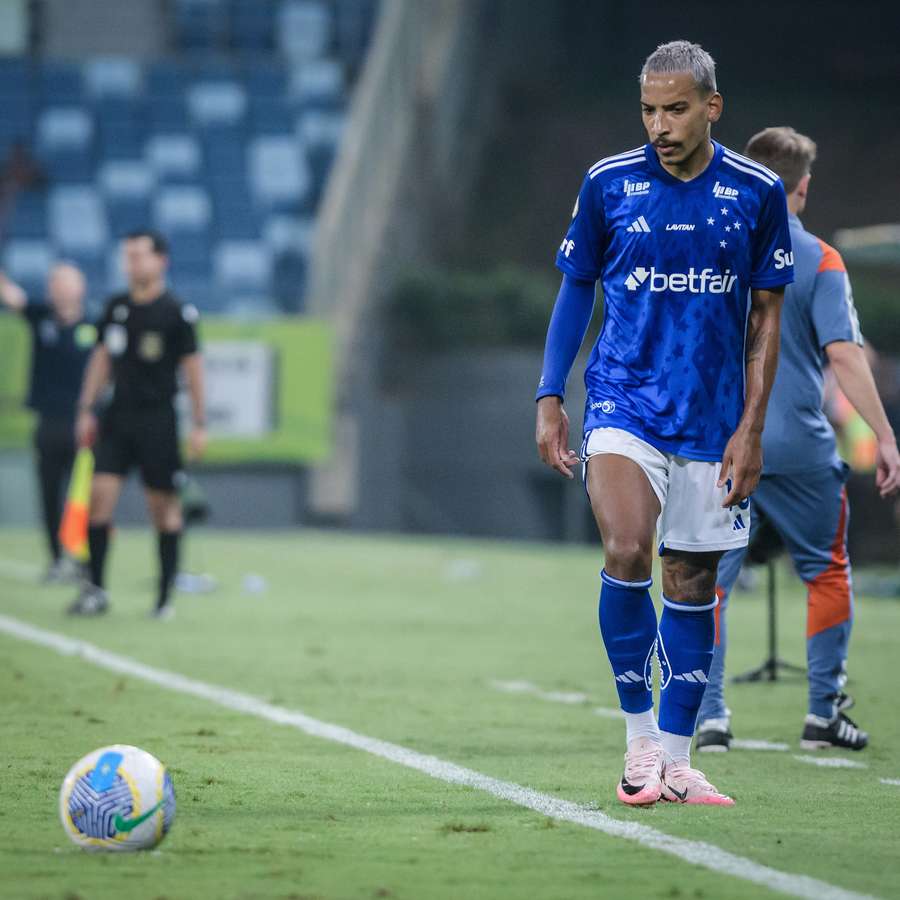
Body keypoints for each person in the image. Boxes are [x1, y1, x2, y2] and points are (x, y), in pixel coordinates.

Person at [535, 40, 793, 806]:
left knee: (691, 581)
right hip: (624, 403)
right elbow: (576, 290)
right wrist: (551, 393)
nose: (659, 124)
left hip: (713, 422)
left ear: (713, 107)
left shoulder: (757, 191)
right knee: (625, 548)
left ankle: (680, 760)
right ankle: (639, 738)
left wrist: (750, 430)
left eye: (675, 109)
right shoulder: (608, 183)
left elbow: (766, 319)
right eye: (648, 109)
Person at [695, 128, 900, 753]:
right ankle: (821, 715)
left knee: (705, 581)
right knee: (827, 573)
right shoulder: (822, 261)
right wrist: (886, 438)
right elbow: (844, 354)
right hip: (804, 448)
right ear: (803, 188)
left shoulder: (711, 250)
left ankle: (707, 717)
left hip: (724, 447)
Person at [68, 230, 206, 619]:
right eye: (128, 257)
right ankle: (95, 589)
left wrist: (199, 422)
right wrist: (85, 408)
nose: (132, 264)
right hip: (117, 417)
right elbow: (100, 360)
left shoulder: (176, 313)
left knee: (163, 509)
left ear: (161, 261)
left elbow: (193, 370)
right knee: (98, 499)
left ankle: (163, 599)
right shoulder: (115, 307)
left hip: (158, 419)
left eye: (139, 256)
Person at [0, 263, 94, 581]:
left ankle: (84, 557)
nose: (58, 288)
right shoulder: (41, 318)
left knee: (82, 495)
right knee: (49, 493)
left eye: (65, 282)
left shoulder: (93, 326)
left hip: (82, 423)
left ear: (80, 287)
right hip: (48, 421)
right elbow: (11, 296)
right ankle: (56, 558)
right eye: (53, 282)